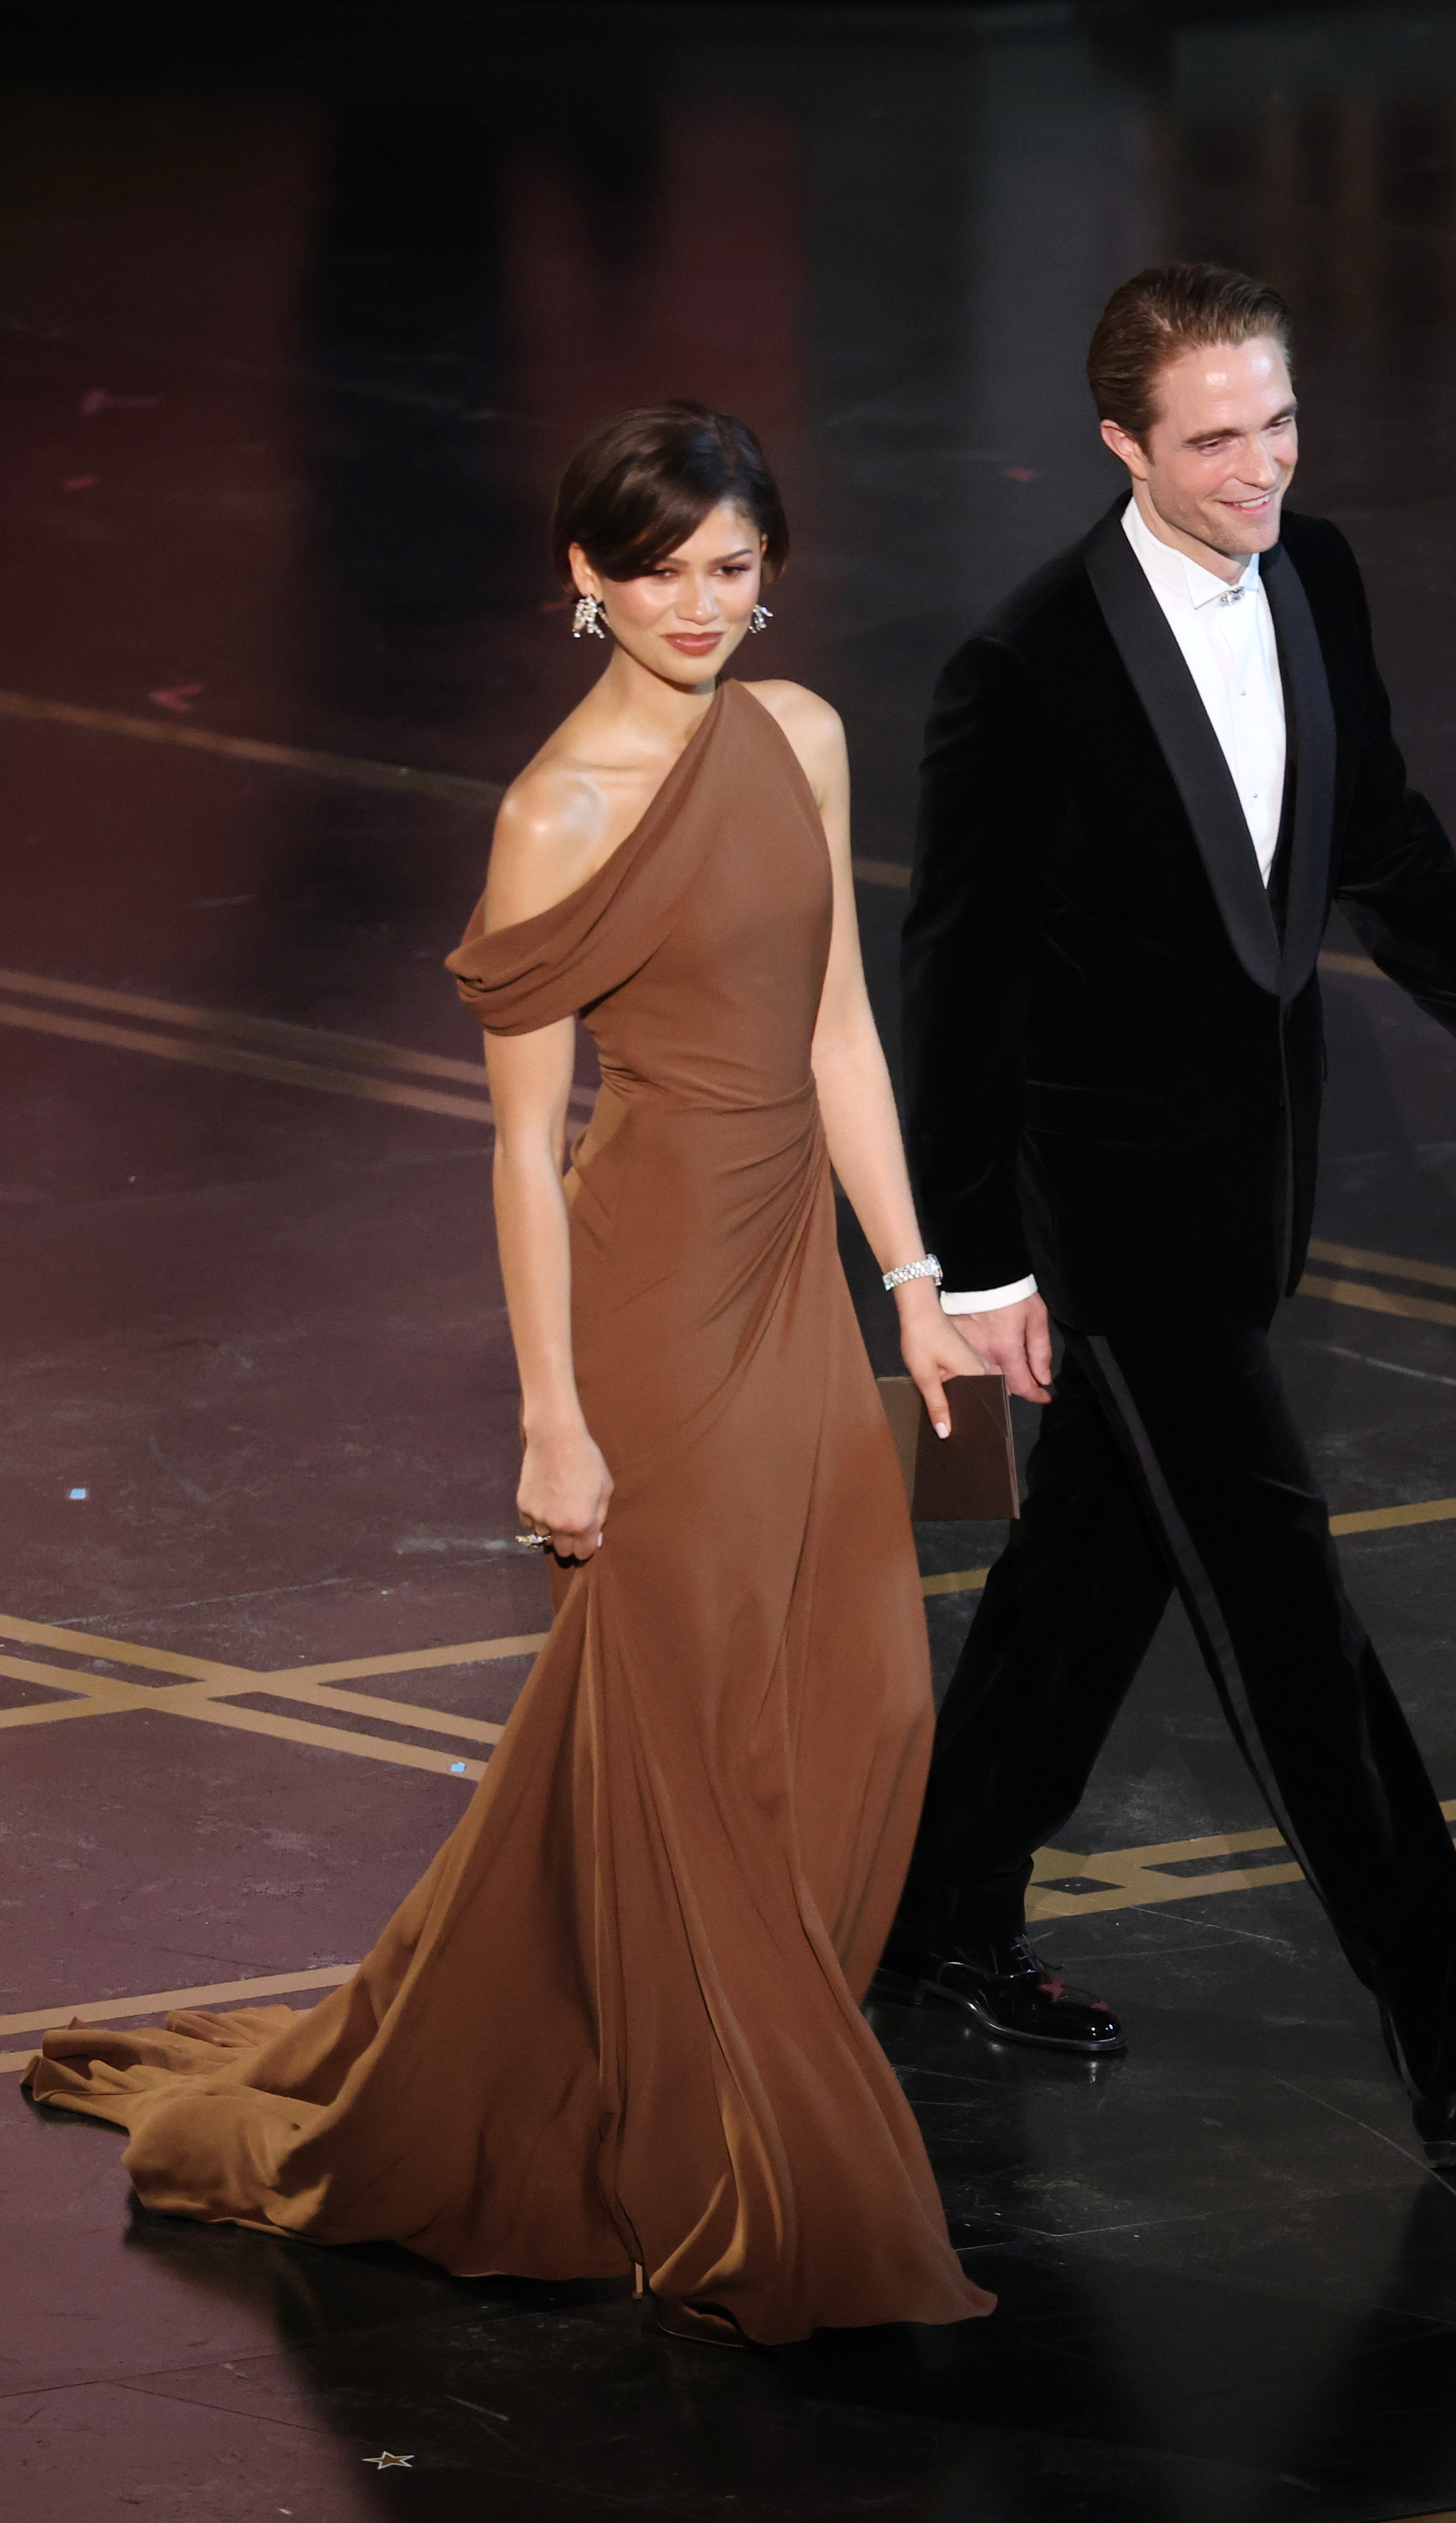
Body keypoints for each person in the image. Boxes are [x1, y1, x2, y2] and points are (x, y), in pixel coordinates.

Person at [25, 401, 993, 2348]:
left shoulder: (794, 736)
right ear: (583, 579)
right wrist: (553, 1416)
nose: (701, 607)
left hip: (794, 1272)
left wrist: (911, 1277)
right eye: (659, 573)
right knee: (693, 1715)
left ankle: (650, 2066)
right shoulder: (555, 812)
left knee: (863, 1704)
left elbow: (839, 1039)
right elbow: (523, 1146)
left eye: (733, 570)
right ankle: (738, 2159)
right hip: (648, 1297)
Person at [881, 265, 1456, 2163]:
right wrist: (974, 1268)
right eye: (1213, 439)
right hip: (1112, 1231)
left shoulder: (1319, 575)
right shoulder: (1025, 668)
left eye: (1278, 423)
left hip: (1251, 1192)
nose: (1259, 469)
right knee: (1288, 1622)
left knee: (1084, 1574)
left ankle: (931, 1921)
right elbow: (956, 990)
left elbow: (1380, 840)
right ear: (1120, 444)